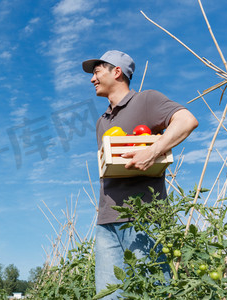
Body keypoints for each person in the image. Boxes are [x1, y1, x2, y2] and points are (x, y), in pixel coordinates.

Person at [82, 50, 198, 299]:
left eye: (97, 72)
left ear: (117, 72)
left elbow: (186, 120)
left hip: (144, 216)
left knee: (151, 291)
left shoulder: (146, 100)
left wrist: (154, 149)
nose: (92, 79)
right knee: (108, 295)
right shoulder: (102, 121)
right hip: (106, 221)